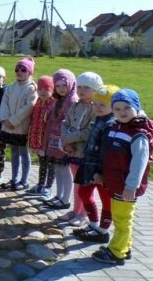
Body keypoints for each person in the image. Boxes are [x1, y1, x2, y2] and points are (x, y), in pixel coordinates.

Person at [92, 89, 153, 265]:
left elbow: (139, 164)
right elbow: (109, 155)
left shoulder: (138, 134)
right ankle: (125, 247)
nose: (122, 112)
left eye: (127, 108)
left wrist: (131, 186)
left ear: (136, 107)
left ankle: (116, 253)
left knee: (121, 219)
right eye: (117, 109)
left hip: (126, 186)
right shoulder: (117, 126)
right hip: (116, 183)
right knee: (122, 218)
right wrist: (101, 173)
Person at [73, 84, 119, 243]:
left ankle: (103, 231)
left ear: (113, 106)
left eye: (102, 105)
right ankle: (93, 224)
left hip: (102, 170)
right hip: (89, 165)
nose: (98, 108)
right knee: (83, 193)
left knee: (106, 200)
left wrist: (100, 172)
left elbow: (107, 152)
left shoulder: (111, 124)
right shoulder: (98, 119)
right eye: (95, 104)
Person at [60, 72, 104, 226]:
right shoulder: (76, 105)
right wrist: (65, 139)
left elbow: (89, 131)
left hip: (85, 153)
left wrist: (70, 138)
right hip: (72, 151)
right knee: (76, 183)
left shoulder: (96, 108)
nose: (81, 90)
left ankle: (83, 214)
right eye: (79, 87)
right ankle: (75, 210)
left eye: (86, 87)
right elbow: (65, 122)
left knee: (84, 185)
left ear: (95, 90)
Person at [0, 57, 38, 191]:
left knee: (24, 153)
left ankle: (24, 180)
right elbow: (4, 103)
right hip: (9, 127)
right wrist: (5, 119)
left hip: (21, 127)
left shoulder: (32, 88)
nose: (19, 72)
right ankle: (14, 178)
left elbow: (29, 106)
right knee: (13, 152)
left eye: (23, 69)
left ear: (30, 72)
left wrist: (14, 121)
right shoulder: (11, 87)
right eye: (17, 69)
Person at [43, 69, 78, 209]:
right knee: (57, 168)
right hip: (54, 138)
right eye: (58, 86)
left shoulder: (72, 101)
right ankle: (59, 195)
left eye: (64, 85)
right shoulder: (58, 100)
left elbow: (70, 122)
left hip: (64, 140)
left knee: (65, 168)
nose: (61, 89)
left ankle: (65, 198)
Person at [26, 76, 56, 198]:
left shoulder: (53, 104)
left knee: (50, 164)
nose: (43, 92)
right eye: (40, 89)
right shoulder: (38, 102)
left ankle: (48, 187)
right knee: (42, 163)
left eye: (46, 89)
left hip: (47, 141)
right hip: (37, 139)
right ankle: (40, 184)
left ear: (52, 90)